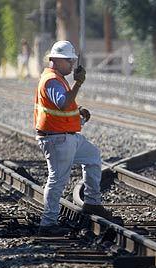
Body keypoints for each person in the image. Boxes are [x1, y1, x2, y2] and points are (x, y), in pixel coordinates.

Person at [34, 40, 113, 237]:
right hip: (57, 139)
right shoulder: (51, 80)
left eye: (72, 61)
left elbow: (62, 106)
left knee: (93, 157)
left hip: (68, 137)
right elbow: (61, 103)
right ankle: (48, 223)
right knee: (57, 180)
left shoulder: (58, 79)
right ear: (56, 60)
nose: (71, 65)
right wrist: (78, 83)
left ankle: (92, 203)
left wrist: (77, 112)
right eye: (68, 61)